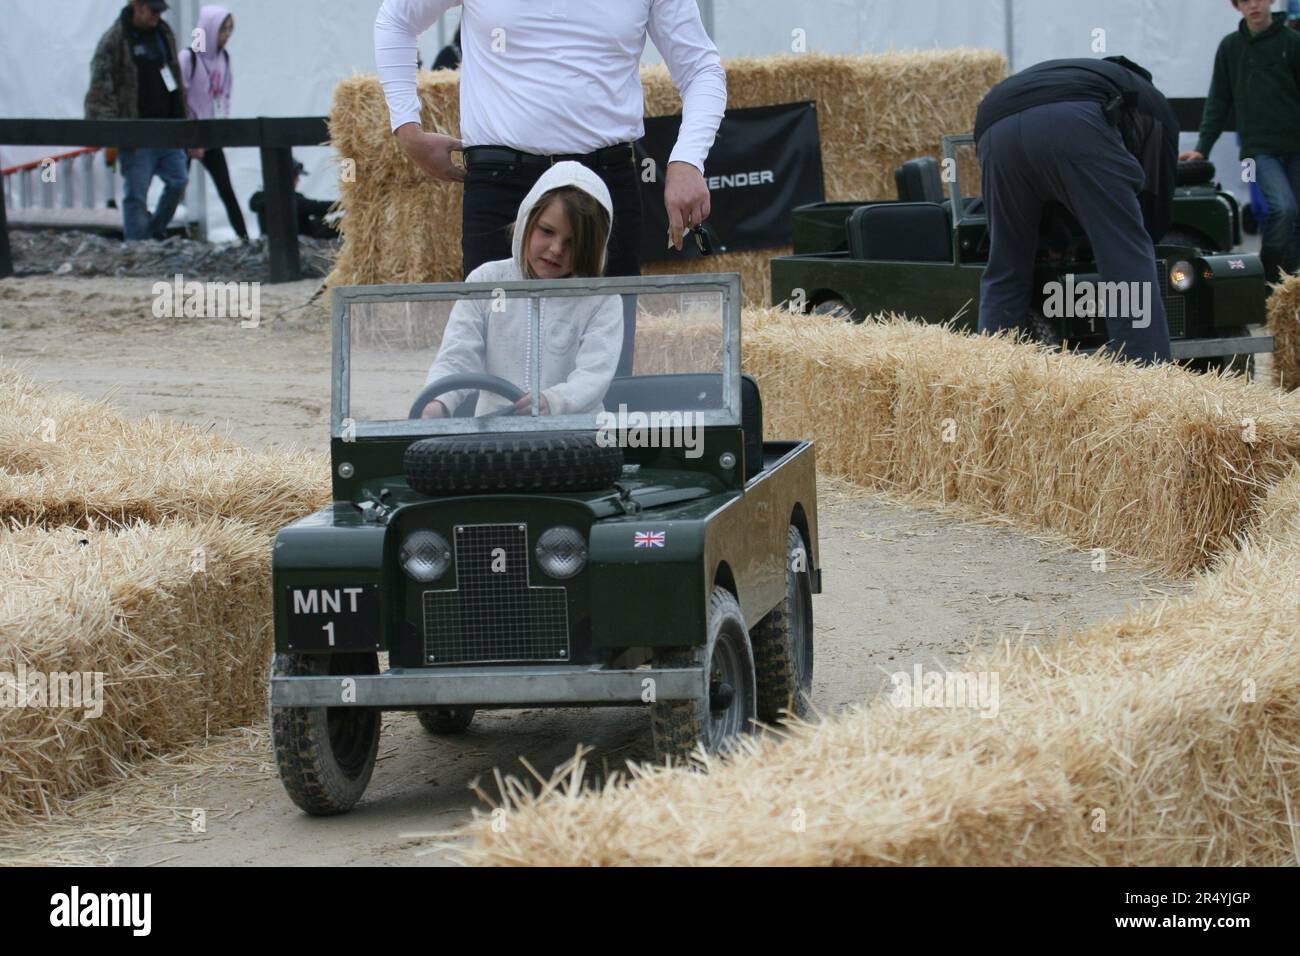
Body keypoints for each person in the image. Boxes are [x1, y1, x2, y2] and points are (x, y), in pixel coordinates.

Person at [373, 0, 726, 287]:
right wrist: (407, 130)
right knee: (496, 350)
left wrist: (687, 160)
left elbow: (701, 69)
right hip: (500, 185)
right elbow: (396, 20)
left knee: (608, 353)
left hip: (605, 185)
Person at [974, 56, 1178, 365]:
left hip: (993, 125)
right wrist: (1143, 236)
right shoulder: (1152, 101)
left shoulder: (1080, 73)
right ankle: (1145, 374)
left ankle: (987, 375)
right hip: (1073, 120)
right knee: (1125, 255)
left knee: (1007, 262)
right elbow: (1156, 188)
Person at [420, 161, 623, 419]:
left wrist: (555, 400)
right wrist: (437, 401)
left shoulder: (602, 299)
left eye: (572, 243)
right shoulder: (487, 280)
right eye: (547, 231)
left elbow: (595, 374)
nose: (556, 249)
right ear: (527, 220)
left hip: (574, 435)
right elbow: (458, 354)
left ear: (592, 248)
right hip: (494, 434)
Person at [1182, 0, 1300, 281]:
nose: (1254, 5)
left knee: (1296, 218)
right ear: (1237, 7)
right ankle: (1268, 277)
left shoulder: (1292, 42)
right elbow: (1219, 100)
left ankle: (1290, 287)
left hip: (1296, 145)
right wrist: (1202, 148)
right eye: (1245, 0)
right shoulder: (1231, 47)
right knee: (1282, 209)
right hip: (1258, 149)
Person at [85, 0, 191, 241]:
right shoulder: (114, 40)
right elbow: (100, 88)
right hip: (136, 132)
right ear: (138, 6)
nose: (157, 15)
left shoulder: (164, 34)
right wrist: (114, 132)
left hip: (167, 129)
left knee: (179, 181)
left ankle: (153, 232)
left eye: (160, 11)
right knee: (136, 194)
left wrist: (182, 121)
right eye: (153, 10)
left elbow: (174, 76)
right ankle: (136, 246)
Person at [179, 5, 249, 240]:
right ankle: (162, 232)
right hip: (189, 133)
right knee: (177, 186)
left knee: (226, 188)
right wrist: (191, 138)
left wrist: (221, 130)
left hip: (211, 134)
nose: (226, 35)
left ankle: (244, 237)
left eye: (229, 30)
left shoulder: (224, 58)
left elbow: (224, 96)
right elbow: (181, 99)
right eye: (222, 30)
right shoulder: (188, 58)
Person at [248, 161, 339, 239]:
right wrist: (344, 204)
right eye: (296, 176)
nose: (298, 180)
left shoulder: (265, 197)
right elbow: (314, 207)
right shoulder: (286, 199)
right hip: (300, 242)